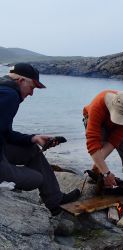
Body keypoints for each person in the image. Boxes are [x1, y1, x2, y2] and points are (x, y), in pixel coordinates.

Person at [0, 63, 80, 215]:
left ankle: (55, 201)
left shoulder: (4, 89)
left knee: (31, 149)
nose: (31, 93)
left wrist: (34, 138)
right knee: (36, 178)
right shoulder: (9, 95)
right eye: (32, 87)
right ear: (21, 81)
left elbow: (6, 133)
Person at [83, 90, 123, 187]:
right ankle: (97, 173)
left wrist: (99, 164)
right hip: (98, 121)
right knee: (99, 148)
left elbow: (114, 141)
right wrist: (105, 172)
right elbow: (92, 144)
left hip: (120, 125)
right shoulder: (98, 105)